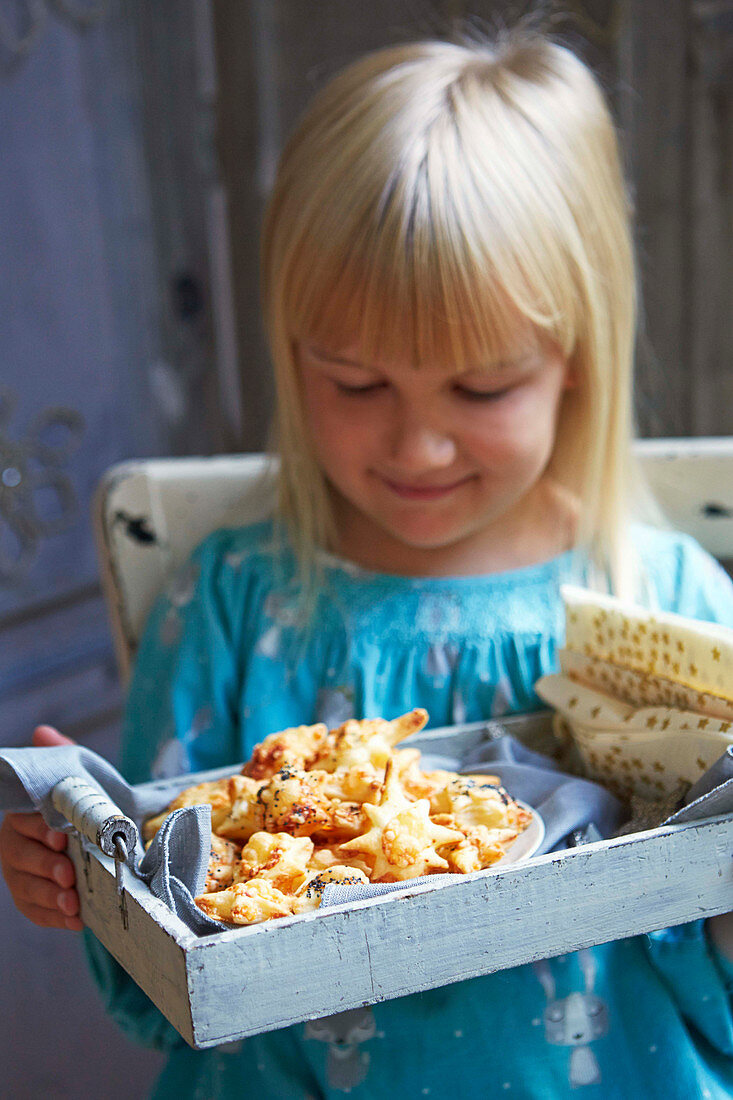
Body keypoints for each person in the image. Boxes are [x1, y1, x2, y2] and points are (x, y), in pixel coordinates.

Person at [2, 28, 733, 1099]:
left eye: (480, 391)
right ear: (288, 351)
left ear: (576, 353)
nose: (416, 446)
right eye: (353, 382)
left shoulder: (669, 602)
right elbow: (162, 987)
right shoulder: (231, 602)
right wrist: (88, 869)